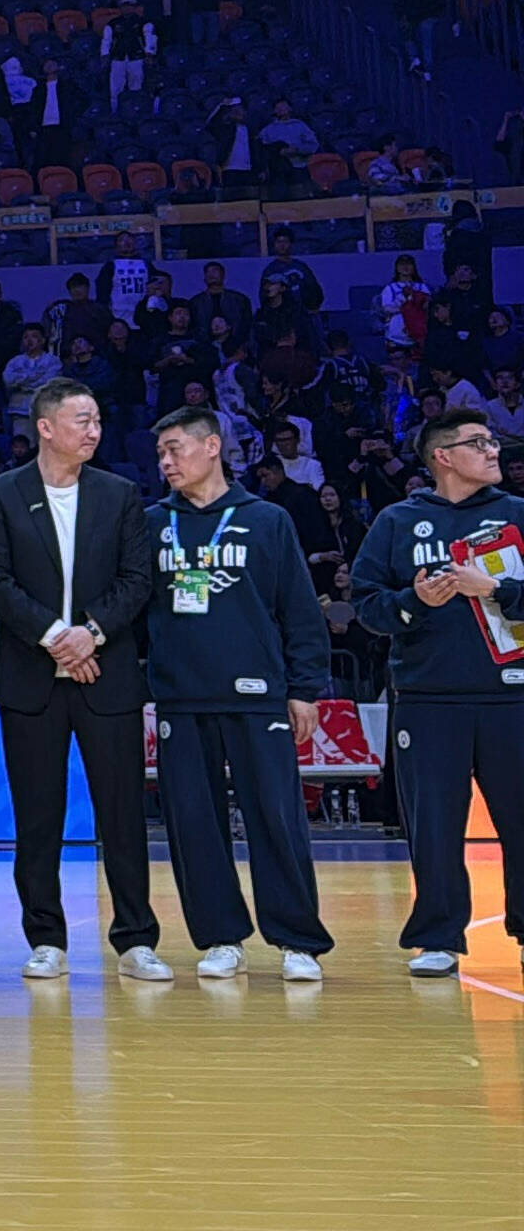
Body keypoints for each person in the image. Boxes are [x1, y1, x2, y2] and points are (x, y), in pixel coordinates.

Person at [0, 381, 168, 981]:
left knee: (122, 813)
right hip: (30, 677)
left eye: (98, 420)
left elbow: (137, 578)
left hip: (106, 674)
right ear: (45, 427)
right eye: (82, 420)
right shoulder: (1, 494)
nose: (94, 431)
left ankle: (136, 939)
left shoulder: (119, 493)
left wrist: (92, 633)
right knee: (37, 815)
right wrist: (57, 635)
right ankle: (46, 938)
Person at [147, 407, 333, 982]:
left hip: (258, 694)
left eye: (175, 449)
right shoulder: (151, 522)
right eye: (160, 453)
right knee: (193, 825)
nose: (166, 462)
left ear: (212, 447)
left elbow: (298, 609)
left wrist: (304, 688)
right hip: (181, 697)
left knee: (276, 817)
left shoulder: (267, 519)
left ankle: (297, 940)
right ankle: (221, 938)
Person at [345, 407, 524, 978]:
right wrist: (415, 601)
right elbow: (366, 607)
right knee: (434, 825)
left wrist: (496, 588)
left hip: (512, 696)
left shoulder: (517, 513)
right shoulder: (398, 521)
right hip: (427, 698)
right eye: (479, 443)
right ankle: (438, 938)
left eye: (493, 441)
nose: (493, 451)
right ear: (443, 456)